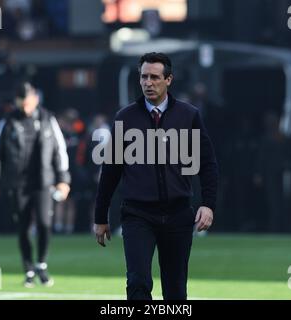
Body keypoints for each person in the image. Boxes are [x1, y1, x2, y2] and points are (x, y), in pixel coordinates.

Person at [93, 52, 219, 300]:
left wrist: (208, 204)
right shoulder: (125, 118)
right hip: (138, 214)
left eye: (154, 77)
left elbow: (207, 164)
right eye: (143, 77)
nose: (148, 83)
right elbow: (110, 171)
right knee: (138, 282)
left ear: (169, 79)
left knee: (175, 291)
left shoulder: (188, 116)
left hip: (178, 215)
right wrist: (101, 216)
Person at [0, 81, 71, 288]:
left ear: (36, 99)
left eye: (29, 101)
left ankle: (41, 264)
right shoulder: (8, 121)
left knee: (44, 224)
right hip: (18, 183)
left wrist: (63, 180)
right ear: (17, 101)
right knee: (22, 228)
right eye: (22, 101)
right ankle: (28, 269)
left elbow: (60, 151)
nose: (25, 105)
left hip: (43, 181)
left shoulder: (48, 119)